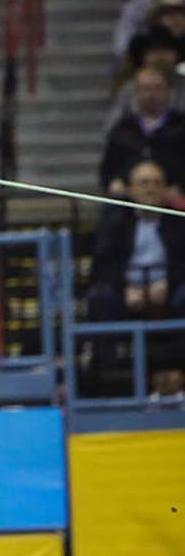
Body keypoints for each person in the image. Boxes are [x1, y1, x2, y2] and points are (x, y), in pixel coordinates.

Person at [86, 160, 185, 396]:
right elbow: (102, 266)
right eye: (144, 183)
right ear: (130, 190)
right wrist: (124, 289)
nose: (150, 189)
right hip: (128, 294)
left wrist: (169, 284)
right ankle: (107, 377)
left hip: (169, 293)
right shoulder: (116, 223)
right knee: (100, 298)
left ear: (165, 189)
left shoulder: (178, 223)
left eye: (156, 183)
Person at [100, 66, 185, 194]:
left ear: (169, 91)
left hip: (174, 199)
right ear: (136, 92)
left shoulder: (181, 125)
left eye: (157, 88)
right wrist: (113, 182)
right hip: (129, 200)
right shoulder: (122, 128)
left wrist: (181, 188)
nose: (151, 94)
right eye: (145, 88)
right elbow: (107, 169)